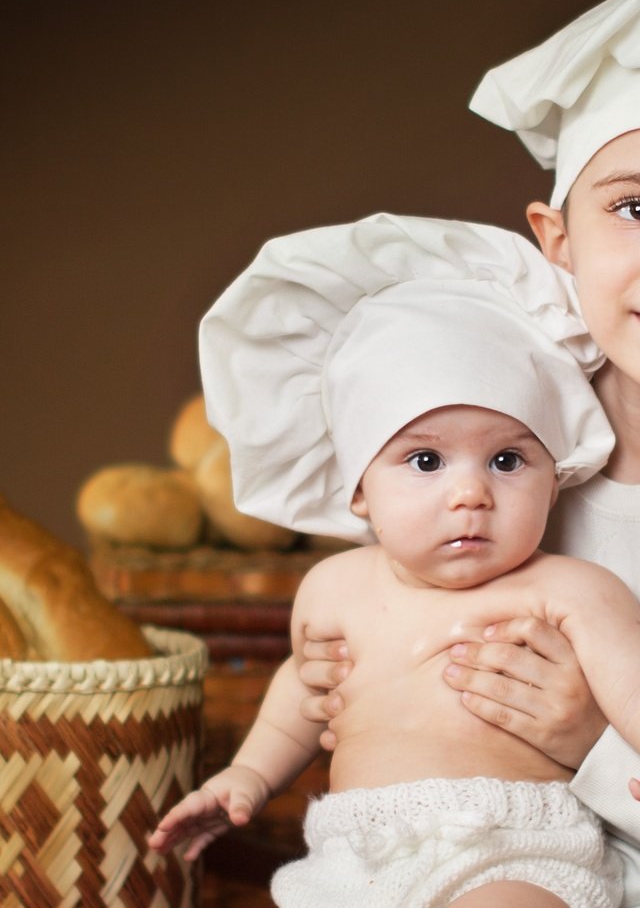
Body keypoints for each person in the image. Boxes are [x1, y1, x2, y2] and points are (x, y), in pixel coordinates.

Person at [150, 214, 640, 907]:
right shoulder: (333, 589)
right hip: (354, 861)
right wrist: (249, 777)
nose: (470, 493)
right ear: (358, 490)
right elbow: (306, 692)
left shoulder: (569, 591)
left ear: (553, 477)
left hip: (514, 851)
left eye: (507, 460)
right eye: (425, 460)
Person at [298, 0, 640, 908]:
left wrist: (586, 747)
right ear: (556, 238)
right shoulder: (485, 459)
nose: (473, 488)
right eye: (635, 206)